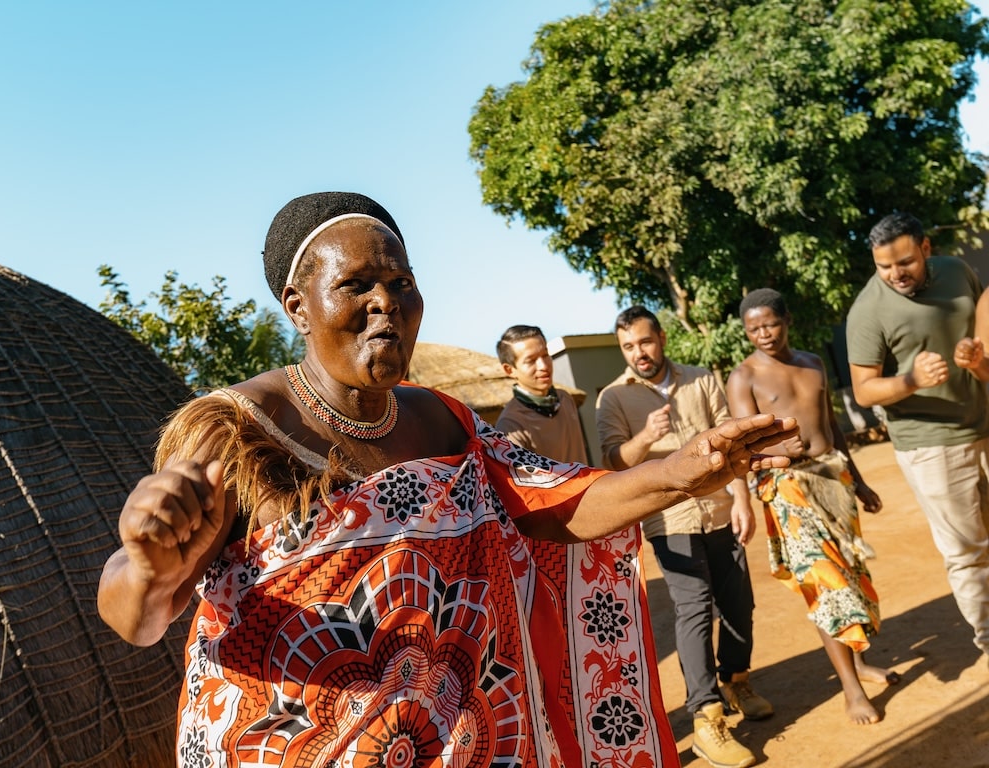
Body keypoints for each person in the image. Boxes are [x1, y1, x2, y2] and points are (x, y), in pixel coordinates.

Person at [96, 192, 797, 767]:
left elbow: (551, 507)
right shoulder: (237, 433)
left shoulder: (442, 421)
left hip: (462, 739)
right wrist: (147, 566)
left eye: (401, 284)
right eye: (356, 285)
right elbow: (140, 616)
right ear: (296, 306)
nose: (386, 303)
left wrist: (685, 470)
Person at [595, 305, 771, 768]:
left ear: (662, 338)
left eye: (645, 342)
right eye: (629, 347)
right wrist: (646, 439)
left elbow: (732, 442)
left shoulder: (701, 378)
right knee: (694, 610)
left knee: (739, 604)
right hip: (668, 522)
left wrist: (743, 500)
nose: (639, 353)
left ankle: (737, 680)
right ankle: (705, 718)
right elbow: (614, 462)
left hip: (719, 510)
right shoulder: (612, 398)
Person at [727, 288, 898, 725]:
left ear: (787, 320)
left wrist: (857, 481)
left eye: (770, 324)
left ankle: (858, 663)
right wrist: (748, 493)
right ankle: (852, 690)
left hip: (834, 480)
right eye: (753, 329)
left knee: (851, 579)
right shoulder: (743, 377)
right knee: (826, 587)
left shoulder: (813, 363)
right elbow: (745, 449)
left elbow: (833, 428)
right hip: (788, 490)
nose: (763, 334)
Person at [846, 211, 989, 668]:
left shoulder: (956, 271)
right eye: (884, 266)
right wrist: (910, 379)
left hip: (986, 422)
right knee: (968, 553)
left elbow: (980, 327)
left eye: (904, 262)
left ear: (926, 249)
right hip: (933, 447)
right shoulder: (867, 312)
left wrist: (974, 352)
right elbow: (865, 389)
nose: (895, 275)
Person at [495, 324, 588, 464]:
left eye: (545, 355)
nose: (543, 366)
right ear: (509, 370)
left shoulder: (565, 399)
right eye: (531, 361)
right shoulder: (511, 425)